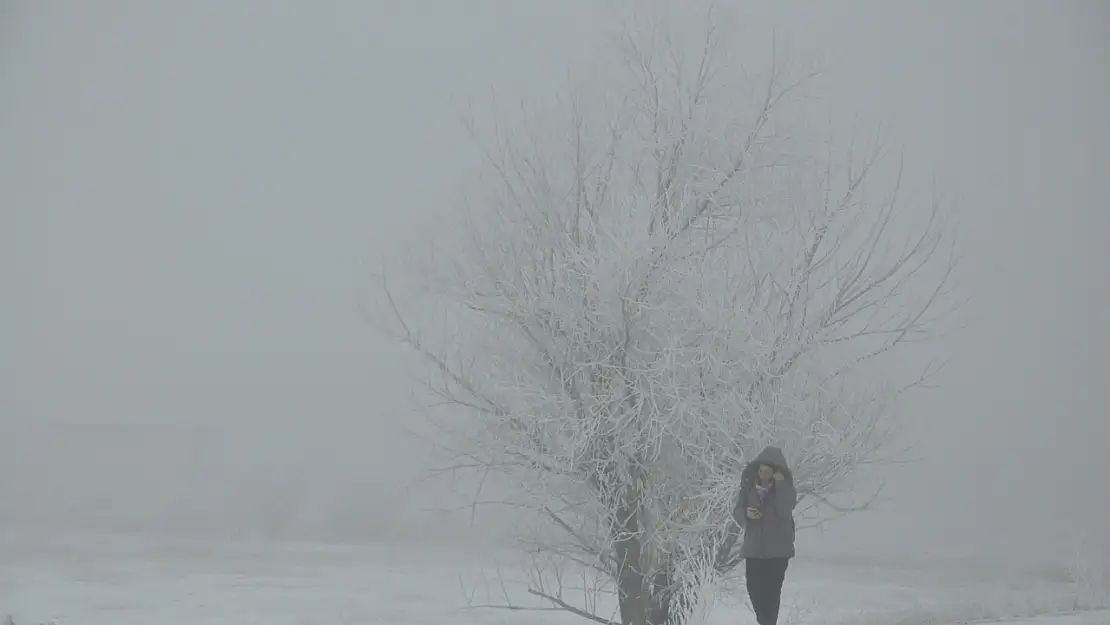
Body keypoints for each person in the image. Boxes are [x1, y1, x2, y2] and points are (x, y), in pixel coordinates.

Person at [736, 446, 797, 625]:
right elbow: (737, 510)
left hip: (778, 551)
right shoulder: (748, 487)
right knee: (753, 588)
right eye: (761, 469)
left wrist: (780, 484)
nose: (763, 473)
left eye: (768, 470)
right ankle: (766, 622)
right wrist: (746, 513)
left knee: (771, 592)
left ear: (776, 472)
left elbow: (784, 509)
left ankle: (767, 623)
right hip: (754, 549)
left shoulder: (786, 490)